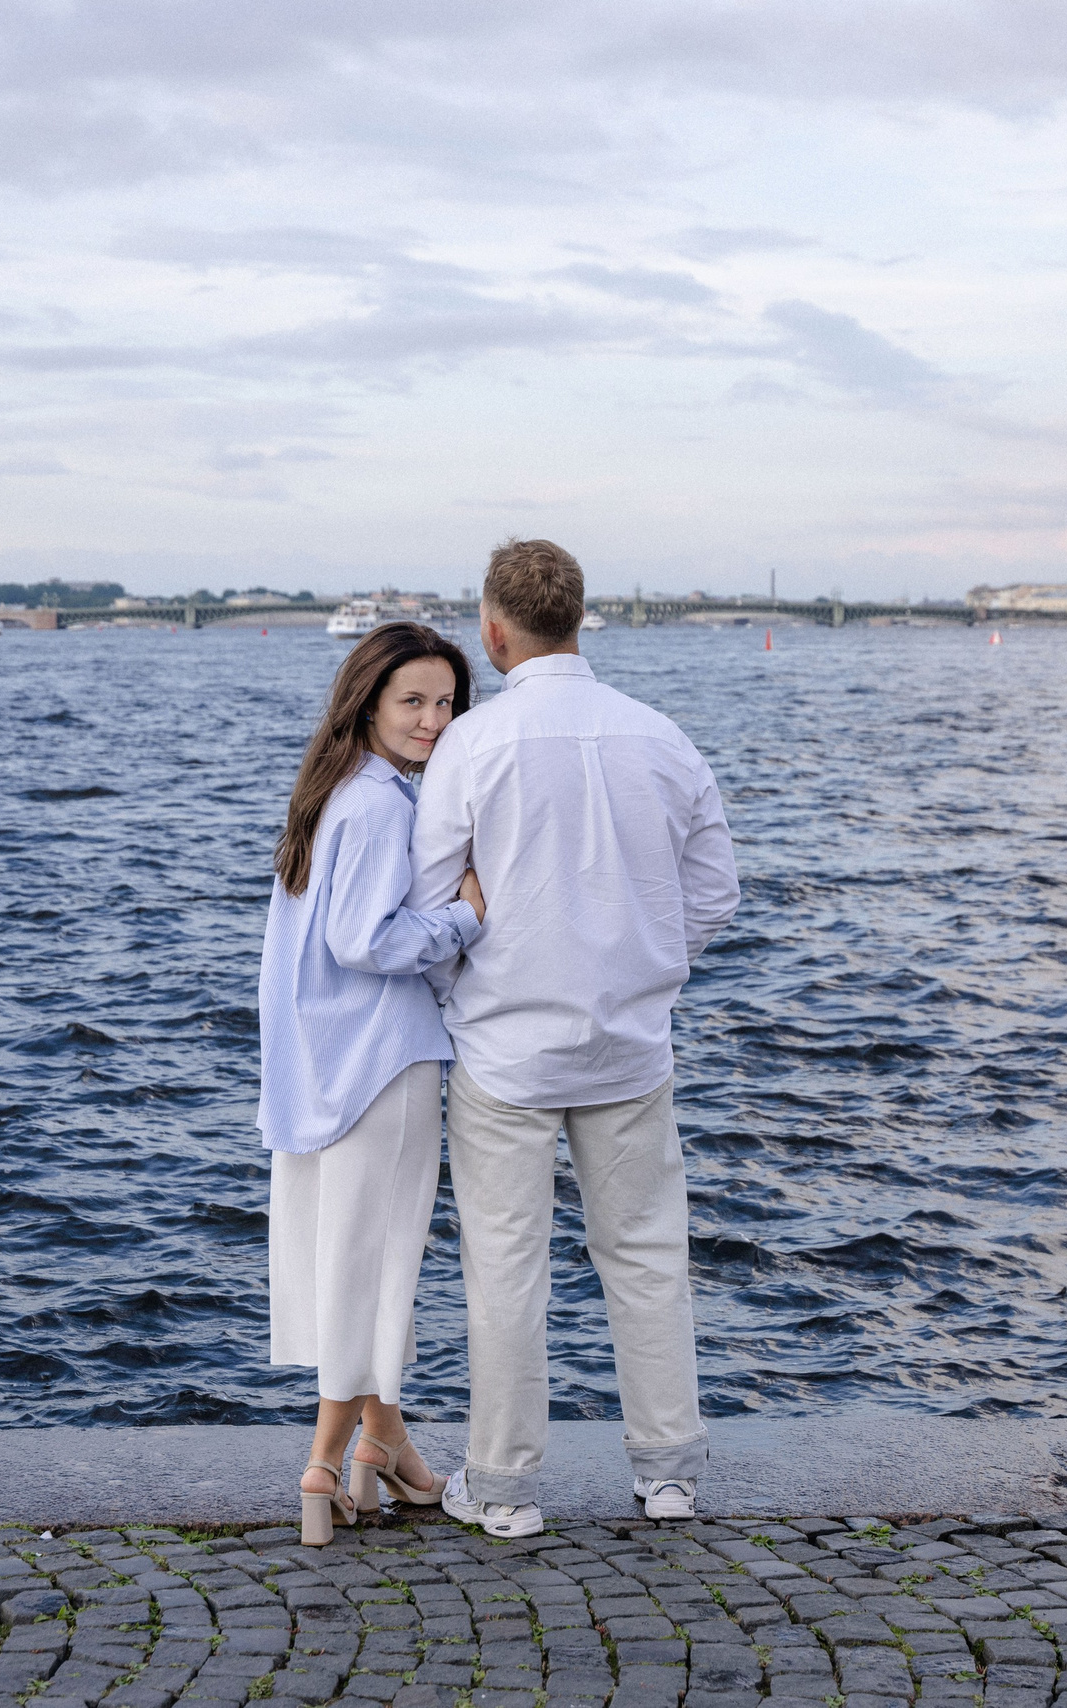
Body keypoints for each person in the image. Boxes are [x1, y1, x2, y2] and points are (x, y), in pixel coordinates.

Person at [407, 538, 740, 1538]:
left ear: (493, 629)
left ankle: (503, 1488)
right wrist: (640, 958)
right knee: (644, 1255)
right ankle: (668, 1472)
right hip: (629, 1043)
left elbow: (431, 904)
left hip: (504, 1048)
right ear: (580, 619)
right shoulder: (660, 737)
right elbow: (716, 892)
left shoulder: (473, 743)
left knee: (506, 1267)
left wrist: (470, 979)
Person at [260, 620, 489, 1545]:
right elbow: (367, 941)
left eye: (446, 703)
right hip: (382, 1062)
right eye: (414, 701)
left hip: (318, 1068)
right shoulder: (384, 806)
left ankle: (382, 1449)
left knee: (335, 1261)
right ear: (368, 700)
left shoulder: (329, 793)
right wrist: (463, 920)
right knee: (380, 1264)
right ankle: (325, 1458)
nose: (434, 720)